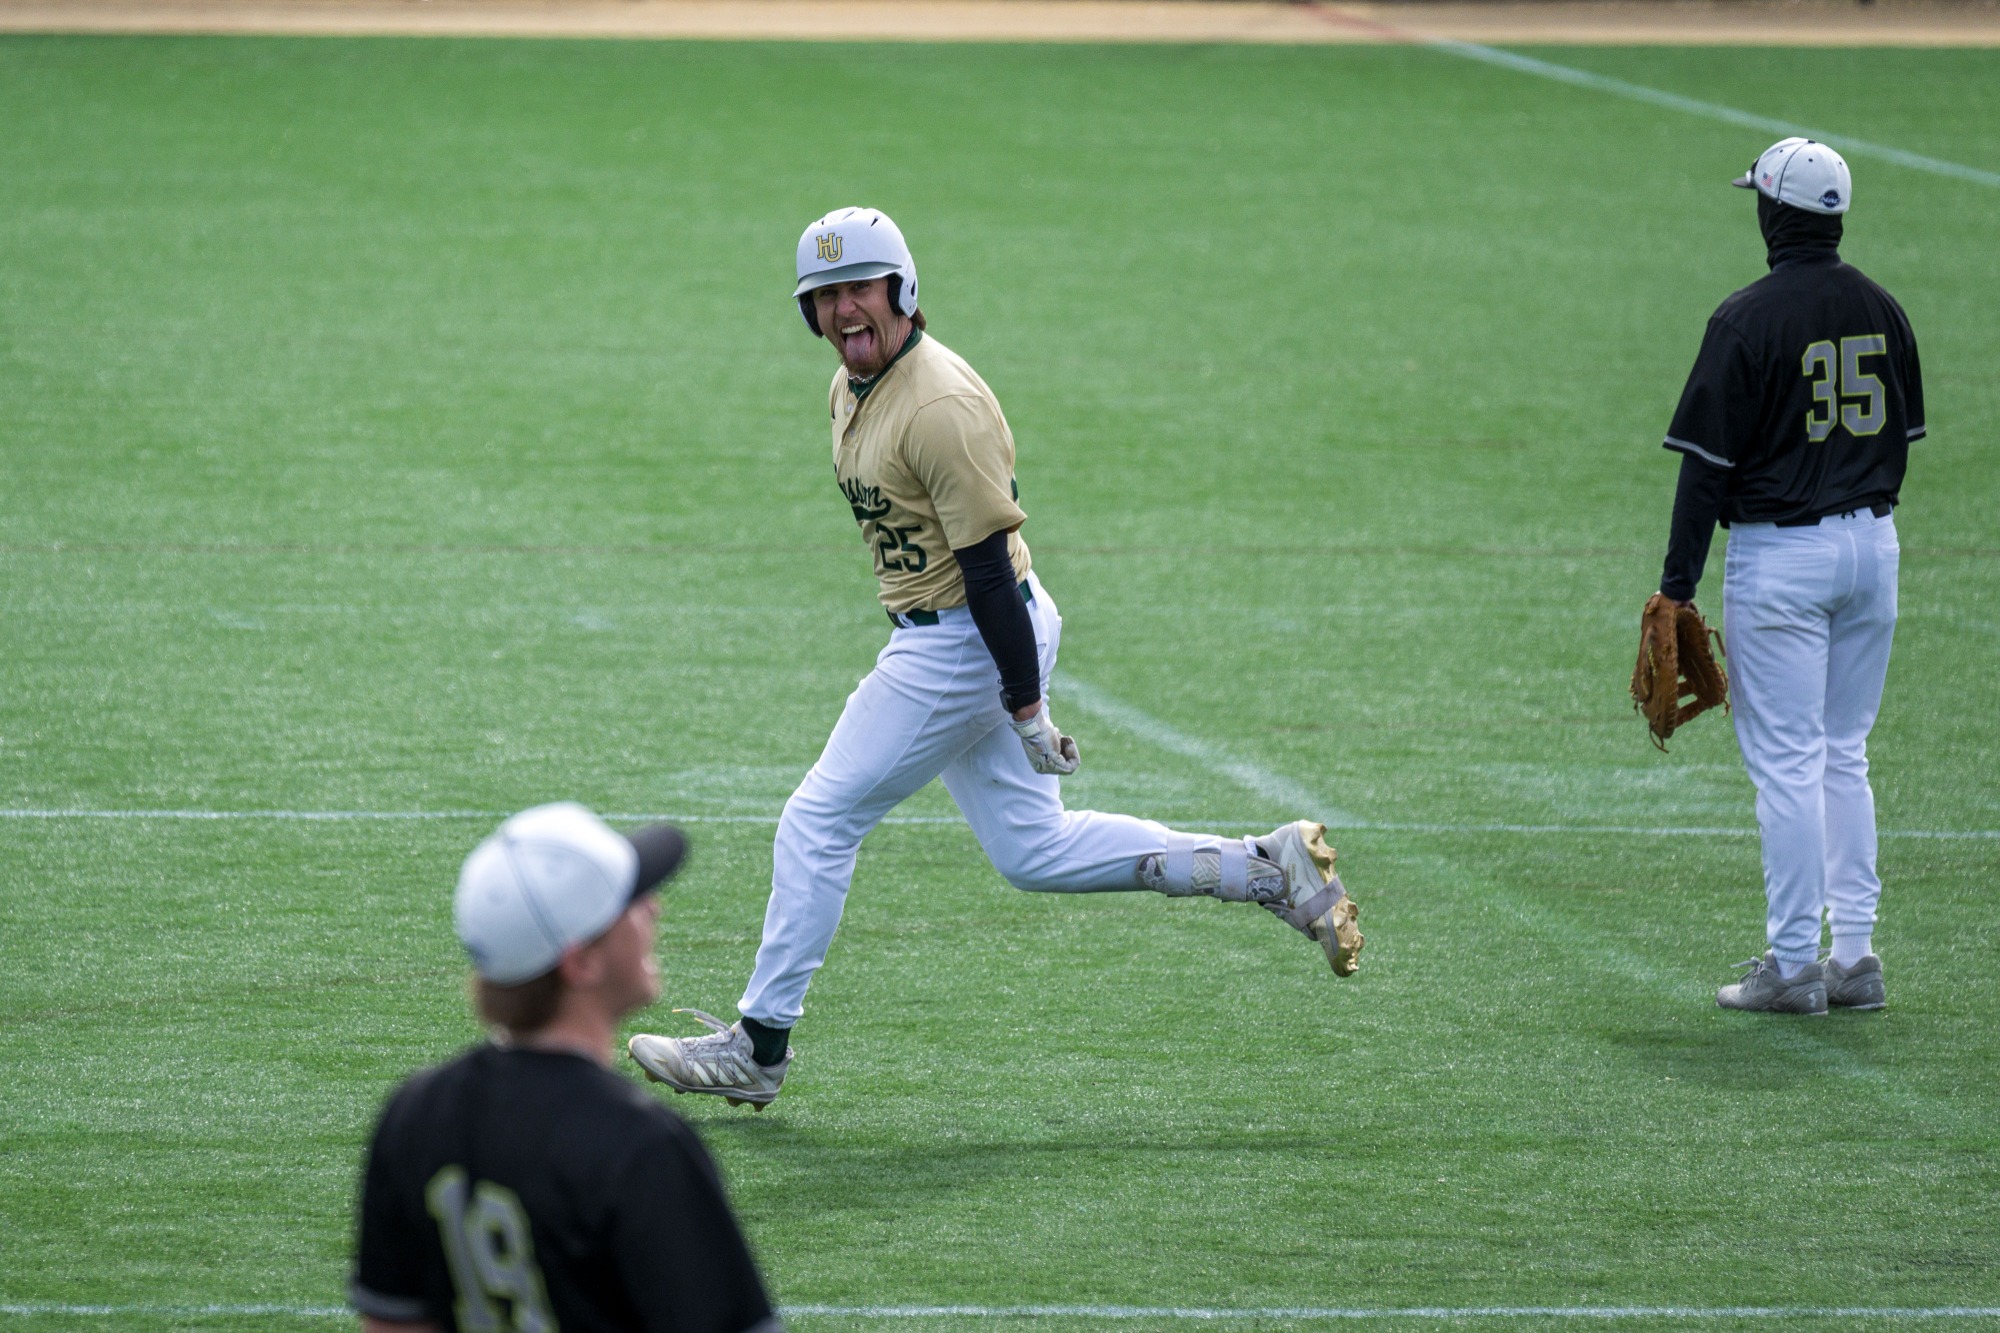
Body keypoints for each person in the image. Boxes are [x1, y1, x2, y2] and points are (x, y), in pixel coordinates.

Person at [626, 207, 1364, 1110]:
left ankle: (760, 1043)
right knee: (1034, 850)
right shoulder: (853, 386)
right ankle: (1265, 867)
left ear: (901, 292)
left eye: (859, 288)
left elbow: (984, 569)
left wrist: (1024, 706)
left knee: (818, 820)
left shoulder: (939, 406)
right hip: (962, 631)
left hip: (971, 639)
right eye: (824, 297)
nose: (844, 311)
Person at [1654, 139, 1923, 1015]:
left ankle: (1794, 963)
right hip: (1873, 548)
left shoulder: (1745, 319)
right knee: (1845, 752)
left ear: (1774, 212)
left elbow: (1703, 468)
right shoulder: (1884, 308)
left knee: (1790, 765)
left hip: (1781, 561)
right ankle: (1856, 955)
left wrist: (1678, 586)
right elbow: (1901, 443)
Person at [349, 802, 782, 1333]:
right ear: (581, 962)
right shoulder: (640, 1147)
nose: (654, 911)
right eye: (630, 902)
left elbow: (393, 1323)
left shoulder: (413, 1116)